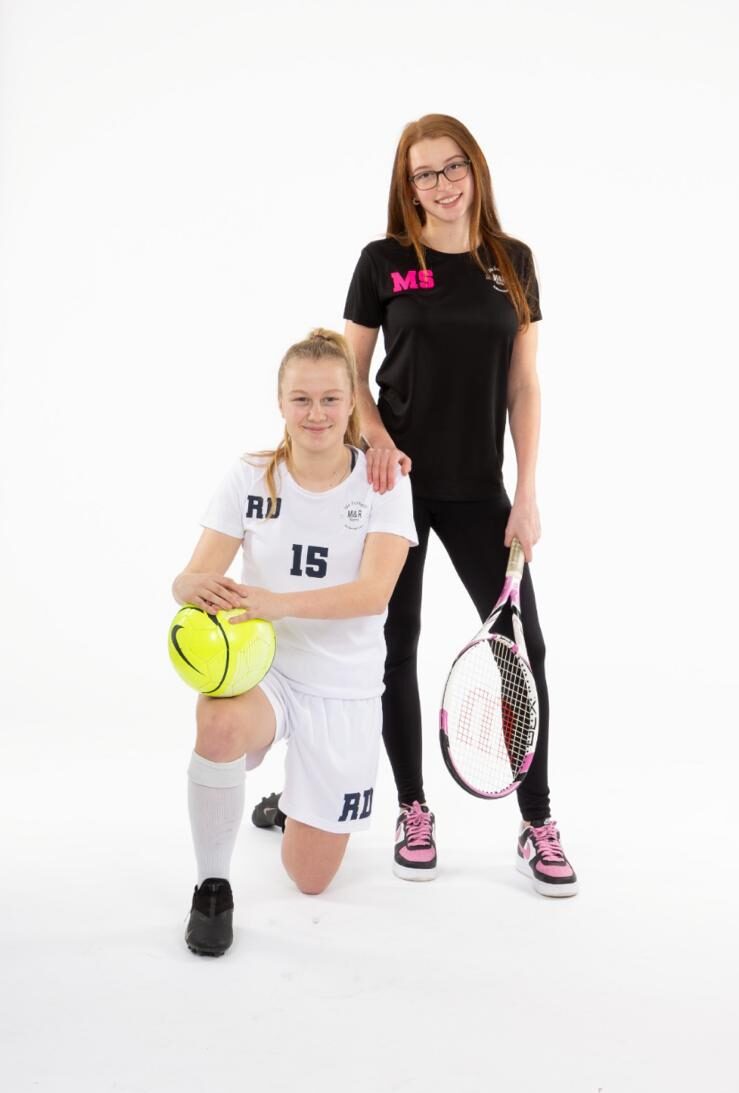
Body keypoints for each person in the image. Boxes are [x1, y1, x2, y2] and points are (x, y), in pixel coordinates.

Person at [341, 113, 578, 896]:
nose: (441, 184)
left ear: (475, 168)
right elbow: (348, 374)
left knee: (522, 649)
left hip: (481, 488)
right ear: (406, 187)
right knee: (395, 647)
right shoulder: (383, 263)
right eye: (424, 173)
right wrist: (377, 438)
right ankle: (413, 809)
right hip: (393, 489)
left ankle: (536, 821)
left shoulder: (512, 262)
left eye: (453, 167)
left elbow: (523, 383)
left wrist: (527, 490)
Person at [172, 329, 417, 956]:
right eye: (301, 399)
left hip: (344, 686)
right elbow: (191, 577)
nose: (316, 414)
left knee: (310, 879)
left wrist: (277, 602)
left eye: (331, 399)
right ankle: (211, 888)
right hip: (270, 672)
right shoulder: (251, 475)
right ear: (280, 403)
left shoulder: (384, 483)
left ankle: (292, 801)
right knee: (217, 724)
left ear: (352, 404)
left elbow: (374, 595)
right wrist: (189, 587)